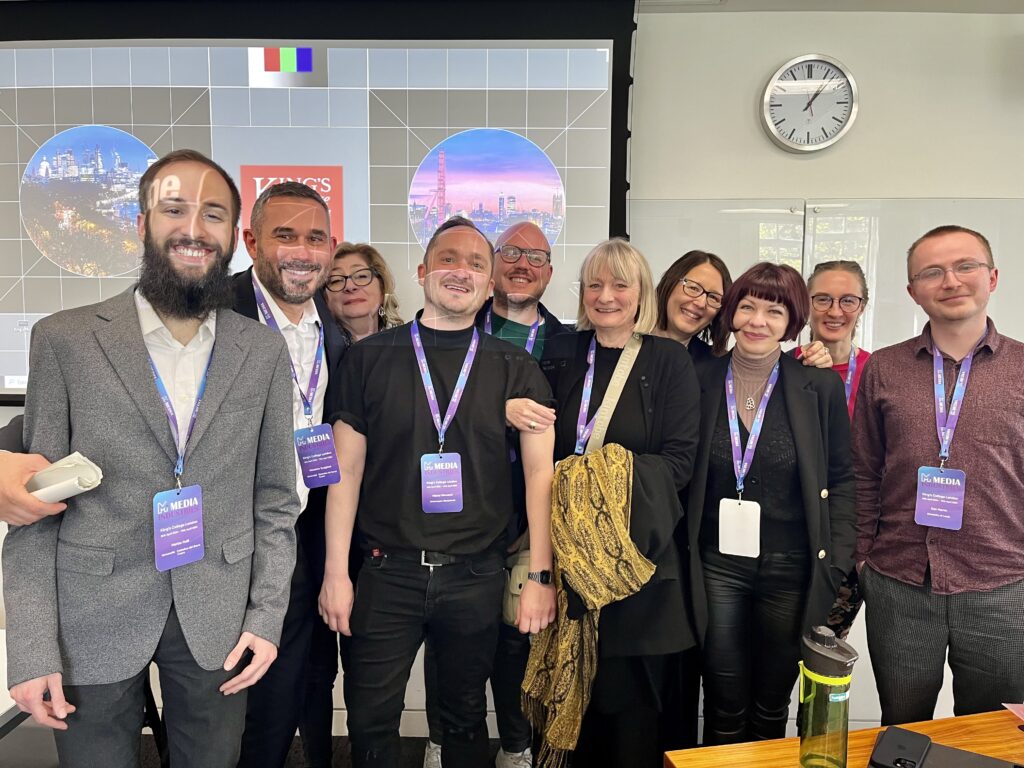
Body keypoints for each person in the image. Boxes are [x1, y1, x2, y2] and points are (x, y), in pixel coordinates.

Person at [3, 149, 300, 767]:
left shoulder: (263, 352)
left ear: (232, 236)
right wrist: (31, 648)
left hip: (219, 610)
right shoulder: (64, 340)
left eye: (213, 214)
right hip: (91, 610)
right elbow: (35, 504)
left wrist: (267, 616)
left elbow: (275, 499)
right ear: (141, 224)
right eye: (173, 210)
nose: (194, 229)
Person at [319, 216, 556, 768]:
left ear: (491, 284)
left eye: (476, 263)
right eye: (448, 258)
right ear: (423, 271)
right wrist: (335, 574)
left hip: (475, 574)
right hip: (386, 572)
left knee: (464, 719)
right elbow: (344, 471)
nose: (460, 271)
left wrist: (540, 577)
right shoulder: (369, 358)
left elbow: (539, 478)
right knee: (369, 720)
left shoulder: (515, 367)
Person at [527, 238, 700, 767]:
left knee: (629, 722)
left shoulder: (668, 360)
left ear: (641, 292)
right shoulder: (559, 352)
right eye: (594, 285)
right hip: (565, 565)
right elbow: (536, 450)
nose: (605, 296)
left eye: (620, 285)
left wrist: (590, 484)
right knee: (573, 720)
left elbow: (678, 464)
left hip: (635, 570)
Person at [854, 225, 1024, 725]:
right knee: (903, 728)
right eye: (932, 272)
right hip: (899, 582)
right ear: (913, 291)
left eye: (965, 266)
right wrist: (862, 558)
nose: (950, 281)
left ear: (992, 277)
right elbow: (864, 471)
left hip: (1002, 585)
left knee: (994, 734)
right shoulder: (884, 368)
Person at [421, 221, 570, 768]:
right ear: (490, 270)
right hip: (457, 515)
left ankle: (516, 745)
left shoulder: (571, 344)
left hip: (533, 517)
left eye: (537, 256)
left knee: (519, 641)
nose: (522, 264)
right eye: (509, 252)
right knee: (445, 638)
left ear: (550, 273)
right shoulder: (447, 327)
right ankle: (441, 739)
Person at [686, 261, 854, 745]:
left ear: (792, 323)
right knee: (722, 696)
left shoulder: (818, 385)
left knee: (771, 700)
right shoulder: (699, 378)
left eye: (774, 312)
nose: (758, 321)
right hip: (718, 565)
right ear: (731, 314)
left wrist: (837, 562)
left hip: (791, 567)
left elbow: (843, 478)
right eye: (748, 307)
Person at [233, 181, 348, 768]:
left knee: (287, 686)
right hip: (226, 538)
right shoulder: (210, 310)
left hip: (304, 532)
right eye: (285, 236)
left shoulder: (334, 327)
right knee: (221, 698)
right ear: (251, 242)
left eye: (315, 238)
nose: (302, 252)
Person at [802, 260, 872, 639]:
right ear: (807, 303)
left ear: (862, 306)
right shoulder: (784, 368)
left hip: (851, 535)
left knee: (825, 649)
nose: (834, 311)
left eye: (847, 300)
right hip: (793, 533)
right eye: (823, 299)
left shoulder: (878, 373)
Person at [654, 249, 834, 368]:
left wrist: (813, 357)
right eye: (693, 288)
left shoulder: (709, 364)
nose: (701, 303)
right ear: (669, 283)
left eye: (714, 297)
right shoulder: (633, 340)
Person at [324, 242, 403, 342]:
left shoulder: (409, 343)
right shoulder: (315, 348)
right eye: (336, 280)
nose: (350, 286)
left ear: (382, 288)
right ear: (325, 298)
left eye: (361, 276)